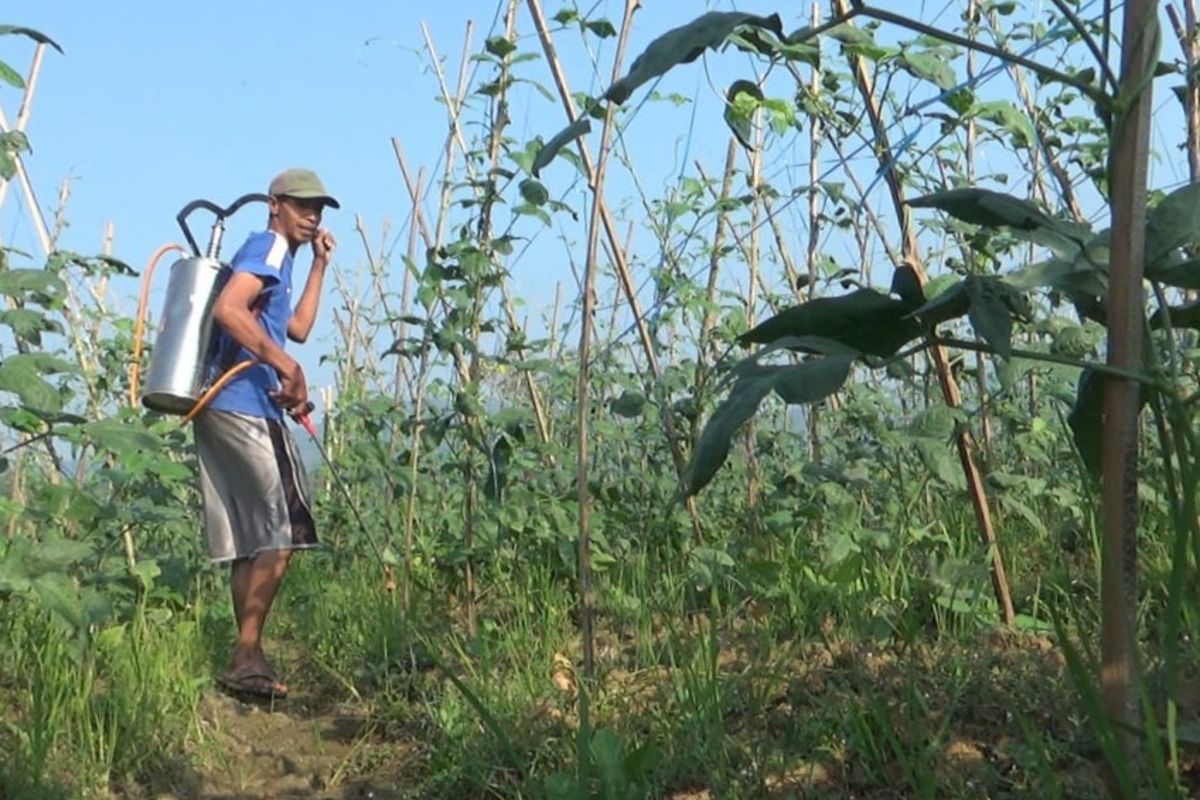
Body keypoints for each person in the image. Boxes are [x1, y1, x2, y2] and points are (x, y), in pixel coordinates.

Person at [195, 167, 339, 700]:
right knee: (283, 534)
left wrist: (320, 265)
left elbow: (295, 329)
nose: (312, 215)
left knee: (250, 542)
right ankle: (246, 656)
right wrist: (286, 367)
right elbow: (229, 310)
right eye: (302, 205)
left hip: (218, 407)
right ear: (274, 204)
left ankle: (247, 657)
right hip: (248, 405)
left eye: (318, 208)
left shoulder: (284, 257)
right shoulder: (269, 245)